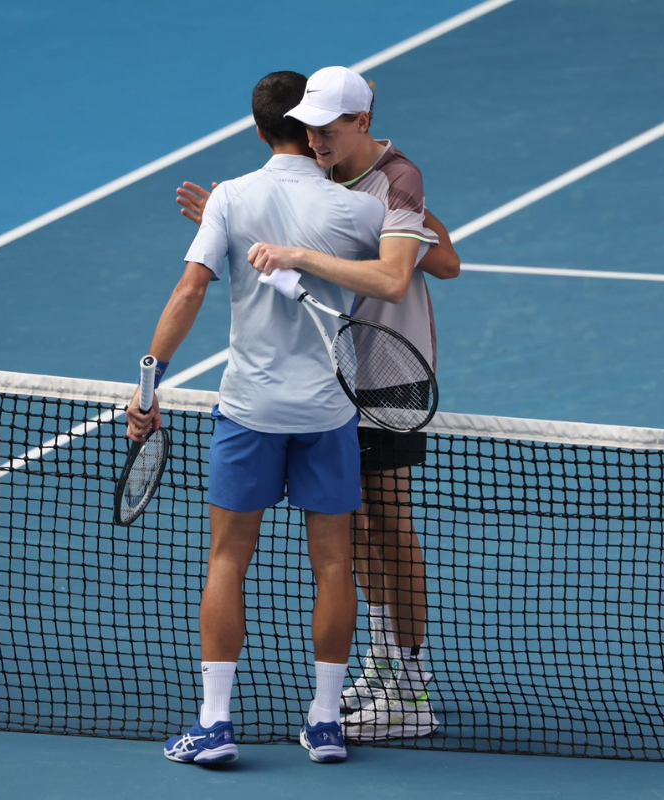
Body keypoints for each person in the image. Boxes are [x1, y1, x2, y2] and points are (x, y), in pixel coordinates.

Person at [127, 71, 414, 766]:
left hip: (250, 411)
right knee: (335, 567)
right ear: (313, 131)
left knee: (228, 559)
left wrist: (146, 388)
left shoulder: (231, 197)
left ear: (259, 130)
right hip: (328, 413)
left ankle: (216, 724)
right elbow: (428, 264)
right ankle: (324, 722)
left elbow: (192, 289)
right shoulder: (358, 210)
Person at [247, 65, 460, 743]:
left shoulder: (397, 178)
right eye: (308, 127)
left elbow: (407, 276)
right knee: (360, 524)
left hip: (391, 377)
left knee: (390, 523)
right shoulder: (323, 173)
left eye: (328, 128)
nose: (314, 140)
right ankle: (386, 662)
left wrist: (301, 253)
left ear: (362, 123)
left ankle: (415, 688)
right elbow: (445, 259)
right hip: (335, 376)